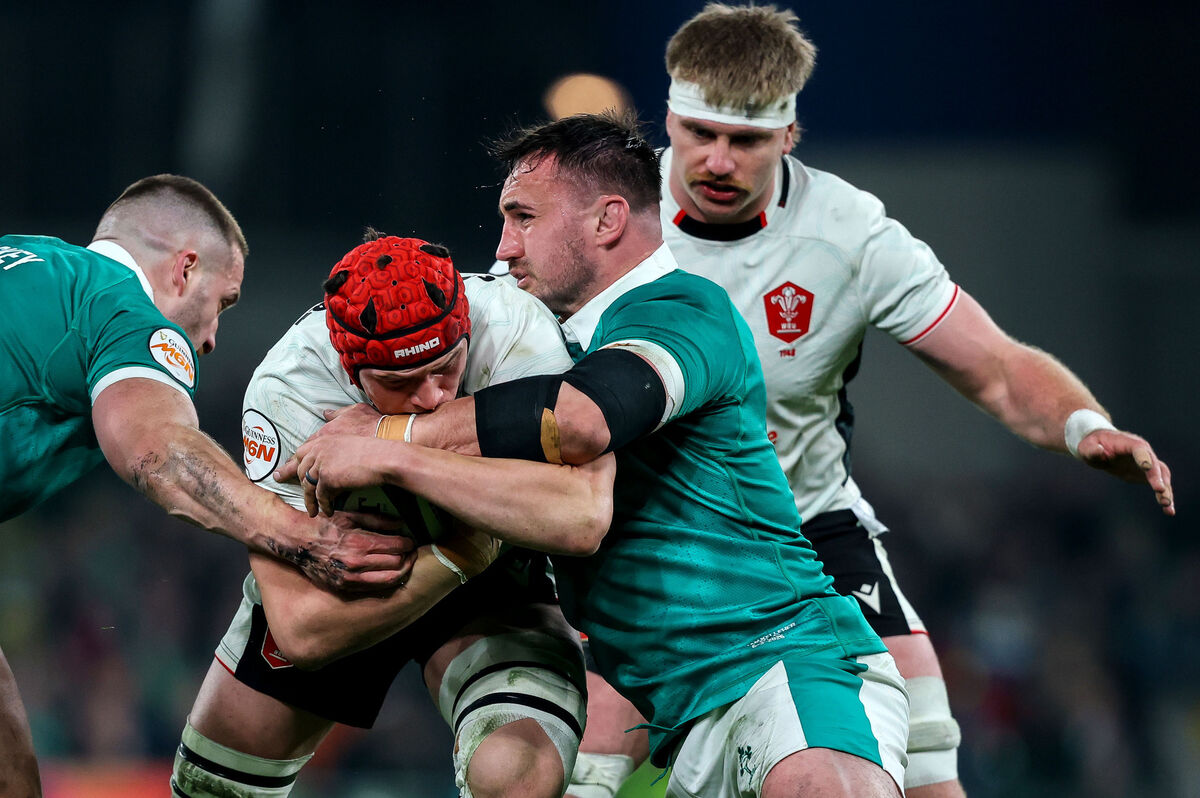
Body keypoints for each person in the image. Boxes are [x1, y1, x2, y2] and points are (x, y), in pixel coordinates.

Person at [559, 5, 1177, 798]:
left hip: (804, 529)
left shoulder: (848, 234)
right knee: (573, 756)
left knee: (925, 755)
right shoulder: (601, 216)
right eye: (697, 132)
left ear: (789, 136)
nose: (715, 159)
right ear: (668, 119)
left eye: (744, 140)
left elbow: (993, 367)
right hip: (637, 535)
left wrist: (1085, 427)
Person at [285, 112, 911, 798]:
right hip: (682, 717)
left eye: (523, 218)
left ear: (607, 221)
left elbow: (580, 420)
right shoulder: (546, 351)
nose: (502, 249)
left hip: (783, 661)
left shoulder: (679, 308)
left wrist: (386, 439)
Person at [0, 177, 413, 797]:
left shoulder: (26, 261)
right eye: (224, 301)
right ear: (184, 269)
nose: (213, 336)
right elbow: (158, 451)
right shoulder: (122, 311)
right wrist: (305, 537)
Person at [172, 231, 615, 798]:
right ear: (349, 370)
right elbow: (301, 632)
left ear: (466, 333)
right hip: (351, 581)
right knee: (208, 788)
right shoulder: (290, 390)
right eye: (402, 383)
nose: (432, 398)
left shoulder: (515, 333)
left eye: (448, 369)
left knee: (516, 780)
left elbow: (580, 517)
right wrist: (461, 550)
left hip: (494, 588)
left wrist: (392, 448)